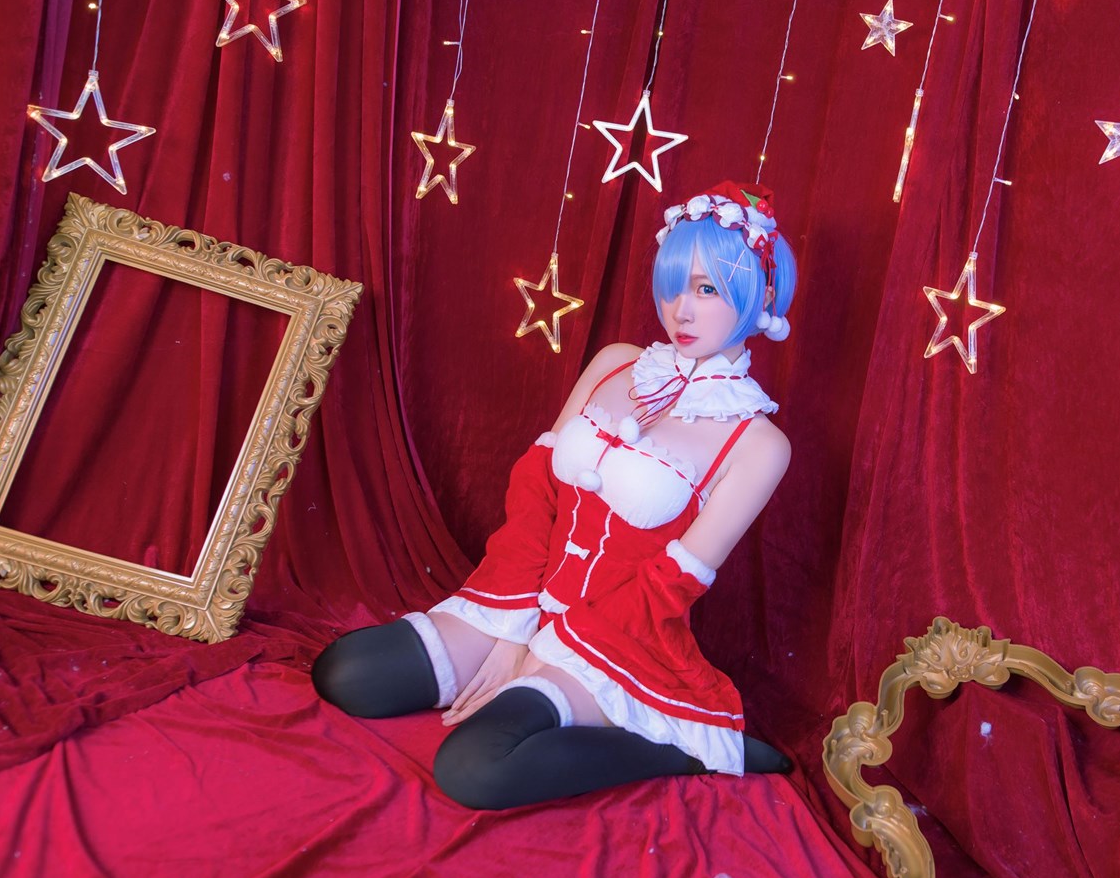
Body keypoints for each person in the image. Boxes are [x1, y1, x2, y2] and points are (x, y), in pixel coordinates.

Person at [313, 181, 798, 810]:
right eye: (673, 285)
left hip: (615, 637)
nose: (681, 310)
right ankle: (520, 676)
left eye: (707, 290)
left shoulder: (758, 444)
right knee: (348, 673)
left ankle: (683, 748)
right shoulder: (616, 362)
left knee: (474, 769)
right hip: (519, 595)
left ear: (761, 296)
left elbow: (667, 585)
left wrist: (546, 652)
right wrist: (516, 631)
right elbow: (536, 495)